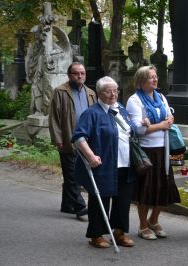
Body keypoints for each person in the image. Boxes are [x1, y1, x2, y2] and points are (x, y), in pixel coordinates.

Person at [72, 76, 135, 248]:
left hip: (125, 164)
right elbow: (79, 137)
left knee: (123, 201)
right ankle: (96, 235)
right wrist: (91, 156)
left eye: (115, 90)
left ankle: (119, 232)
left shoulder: (120, 109)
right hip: (104, 165)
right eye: (108, 91)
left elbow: (130, 132)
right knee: (101, 200)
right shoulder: (92, 113)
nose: (113, 94)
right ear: (99, 93)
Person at [126, 66, 180, 240]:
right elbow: (137, 129)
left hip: (163, 148)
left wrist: (170, 119)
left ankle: (154, 219)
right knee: (146, 189)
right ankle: (142, 225)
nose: (155, 80)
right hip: (146, 150)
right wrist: (161, 126)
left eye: (156, 77)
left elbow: (168, 114)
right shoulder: (134, 100)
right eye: (151, 78)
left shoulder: (161, 97)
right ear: (141, 81)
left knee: (165, 186)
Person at [48, 62, 96, 219]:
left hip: (86, 141)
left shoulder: (91, 93)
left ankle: (67, 205)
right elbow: (54, 116)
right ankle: (80, 206)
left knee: (76, 173)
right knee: (71, 174)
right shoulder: (60, 92)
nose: (80, 76)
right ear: (69, 75)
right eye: (76, 73)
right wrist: (57, 138)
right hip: (68, 140)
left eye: (82, 73)